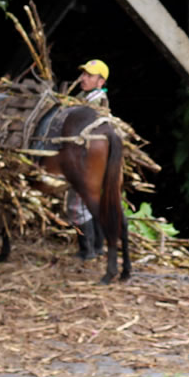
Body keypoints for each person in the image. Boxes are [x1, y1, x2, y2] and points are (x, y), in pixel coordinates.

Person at [66, 59, 110, 259]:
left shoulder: (97, 101)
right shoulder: (82, 97)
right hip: (86, 160)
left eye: (89, 75)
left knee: (75, 207)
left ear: (100, 82)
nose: (83, 78)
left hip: (85, 160)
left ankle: (86, 250)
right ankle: (97, 247)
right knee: (89, 205)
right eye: (83, 74)